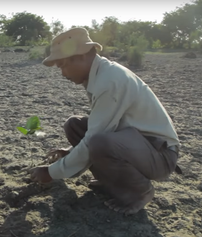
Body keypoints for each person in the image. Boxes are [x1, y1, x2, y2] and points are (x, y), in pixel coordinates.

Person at [28, 27, 181, 215]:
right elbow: (104, 124)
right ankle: (111, 180)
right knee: (74, 126)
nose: (63, 73)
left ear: (82, 56)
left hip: (160, 155)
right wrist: (69, 152)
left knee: (99, 142)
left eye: (63, 65)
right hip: (137, 144)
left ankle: (141, 192)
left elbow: (98, 134)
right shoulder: (99, 74)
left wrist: (51, 172)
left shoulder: (110, 81)